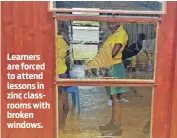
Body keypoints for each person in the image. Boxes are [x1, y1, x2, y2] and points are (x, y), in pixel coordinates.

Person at [99, 22, 129, 136]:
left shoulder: (121, 33)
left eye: (113, 20)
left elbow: (115, 50)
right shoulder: (113, 34)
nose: (109, 23)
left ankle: (117, 127)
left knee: (116, 99)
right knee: (113, 98)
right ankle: (113, 123)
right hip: (110, 66)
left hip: (114, 67)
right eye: (108, 21)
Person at [57, 27, 70, 131]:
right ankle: (63, 124)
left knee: (58, 99)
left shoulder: (51, 40)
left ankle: (60, 126)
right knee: (63, 97)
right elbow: (66, 57)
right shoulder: (63, 41)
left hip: (54, 72)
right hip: (62, 71)